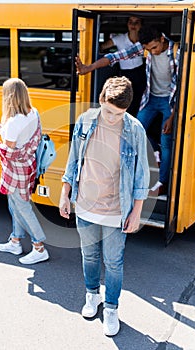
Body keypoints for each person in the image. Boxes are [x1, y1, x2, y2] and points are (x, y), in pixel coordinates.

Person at [59, 76, 149, 336]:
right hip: (85, 203)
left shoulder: (135, 129)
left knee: (113, 261)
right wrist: (65, 194)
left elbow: (142, 173)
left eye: (119, 113)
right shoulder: (86, 121)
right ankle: (92, 295)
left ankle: (111, 307)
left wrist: (137, 212)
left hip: (117, 209)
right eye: (108, 111)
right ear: (101, 101)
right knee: (89, 256)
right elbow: (74, 159)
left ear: (127, 109)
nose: (112, 118)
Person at [76, 25, 179, 195]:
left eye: (154, 48)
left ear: (162, 39)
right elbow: (115, 57)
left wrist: (173, 117)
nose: (151, 52)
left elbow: (183, 86)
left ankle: (162, 182)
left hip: (170, 101)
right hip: (151, 98)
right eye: (148, 50)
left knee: (166, 140)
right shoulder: (144, 48)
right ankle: (125, 175)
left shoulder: (177, 52)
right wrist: (89, 68)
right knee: (131, 132)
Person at [0, 78, 49, 265]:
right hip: (28, 166)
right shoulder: (32, 113)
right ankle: (16, 241)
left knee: (22, 207)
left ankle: (39, 247)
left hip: (16, 171)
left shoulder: (13, 122)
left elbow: (9, 152)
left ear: (8, 97)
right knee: (15, 205)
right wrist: (1, 130)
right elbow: (21, 140)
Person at [79, 16, 146, 117]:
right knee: (126, 102)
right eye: (130, 22)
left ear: (141, 25)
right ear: (127, 24)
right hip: (126, 74)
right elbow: (101, 47)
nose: (133, 25)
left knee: (140, 101)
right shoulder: (120, 38)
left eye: (137, 22)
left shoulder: (145, 40)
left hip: (141, 73)